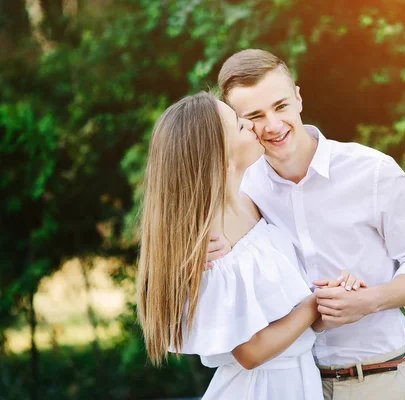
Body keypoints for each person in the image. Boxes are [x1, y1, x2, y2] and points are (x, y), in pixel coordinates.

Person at [208, 49, 405, 399]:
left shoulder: (374, 172)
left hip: (377, 380)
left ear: (299, 98)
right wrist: (213, 249)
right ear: (237, 125)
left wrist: (371, 300)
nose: (273, 125)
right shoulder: (243, 191)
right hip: (291, 385)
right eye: (254, 116)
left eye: (281, 106)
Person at [136, 92, 363, 399]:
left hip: (298, 380)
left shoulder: (249, 204)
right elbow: (251, 352)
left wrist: (333, 295)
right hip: (260, 389)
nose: (251, 125)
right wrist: (315, 303)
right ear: (217, 153)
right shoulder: (213, 245)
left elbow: (285, 313)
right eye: (239, 126)